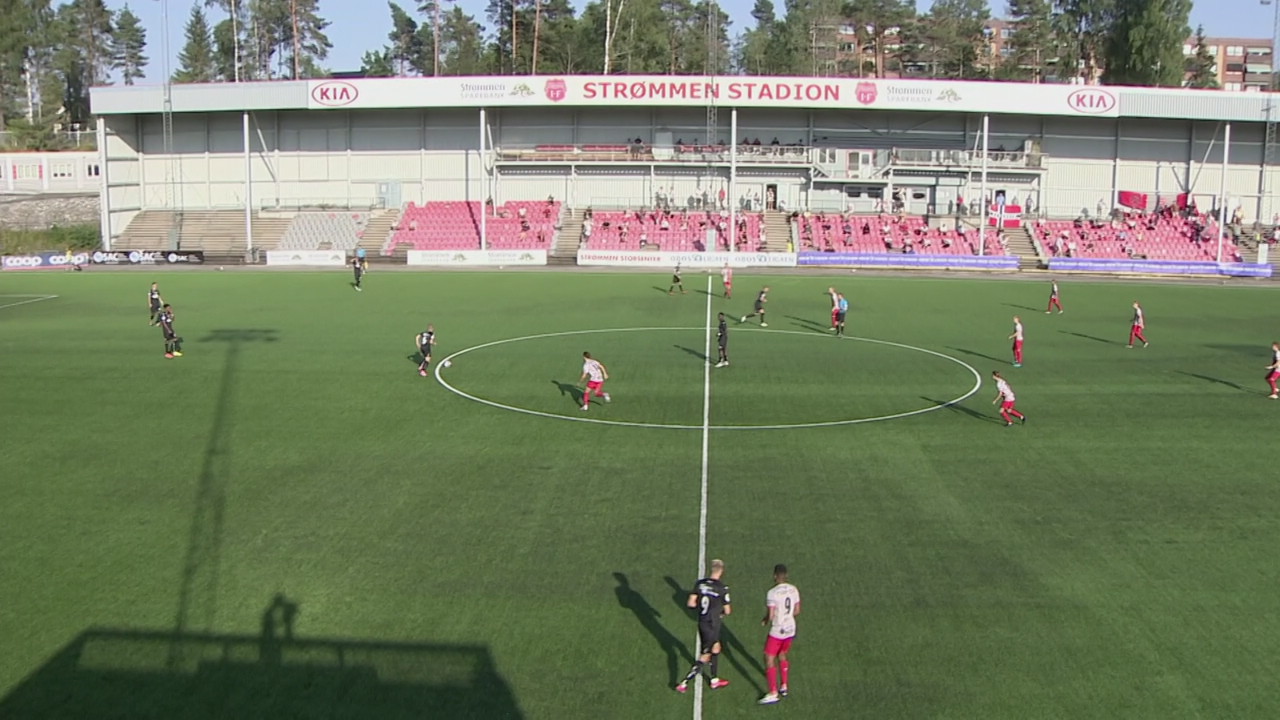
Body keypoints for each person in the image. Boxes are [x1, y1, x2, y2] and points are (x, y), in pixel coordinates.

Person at [675, 559, 732, 694]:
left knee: (716, 647)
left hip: (702, 621)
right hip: (713, 624)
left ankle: (714, 679)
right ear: (721, 571)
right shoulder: (722, 588)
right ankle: (684, 682)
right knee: (705, 655)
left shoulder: (700, 584)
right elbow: (728, 610)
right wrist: (719, 612)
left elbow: (691, 603)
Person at [757, 564, 801, 705]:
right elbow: (797, 610)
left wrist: (765, 620)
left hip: (778, 630)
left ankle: (773, 692)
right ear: (786, 575)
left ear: (775, 576)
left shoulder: (772, 593)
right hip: (791, 628)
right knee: (782, 654)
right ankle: (784, 685)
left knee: (769, 658)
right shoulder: (793, 589)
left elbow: (770, 615)